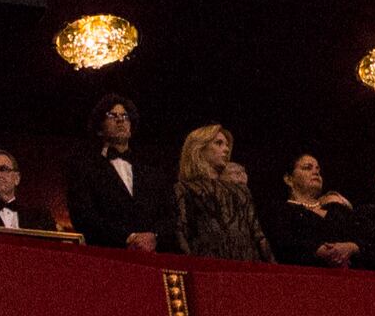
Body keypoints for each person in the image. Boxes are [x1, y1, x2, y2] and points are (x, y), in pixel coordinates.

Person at [66, 94, 160, 250]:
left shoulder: (150, 169)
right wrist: (127, 238)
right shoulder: (84, 168)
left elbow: (167, 213)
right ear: (99, 128)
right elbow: (83, 217)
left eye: (125, 116)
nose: (120, 120)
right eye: (112, 115)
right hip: (108, 255)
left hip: (152, 257)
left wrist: (154, 236)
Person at [171, 124, 274, 263]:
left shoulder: (241, 190)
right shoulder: (184, 189)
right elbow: (181, 232)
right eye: (218, 143)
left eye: (226, 145)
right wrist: (191, 268)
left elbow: (258, 235)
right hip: (208, 268)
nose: (226, 149)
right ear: (199, 148)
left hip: (247, 268)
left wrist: (273, 268)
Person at [271, 152, 358, 265]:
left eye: (318, 169)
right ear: (288, 179)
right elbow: (283, 244)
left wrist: (351, 247)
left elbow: (364, 238)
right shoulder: (281, 211)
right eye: (307, 168)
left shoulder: (337, 208)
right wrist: (317, 250)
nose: (316, 172)